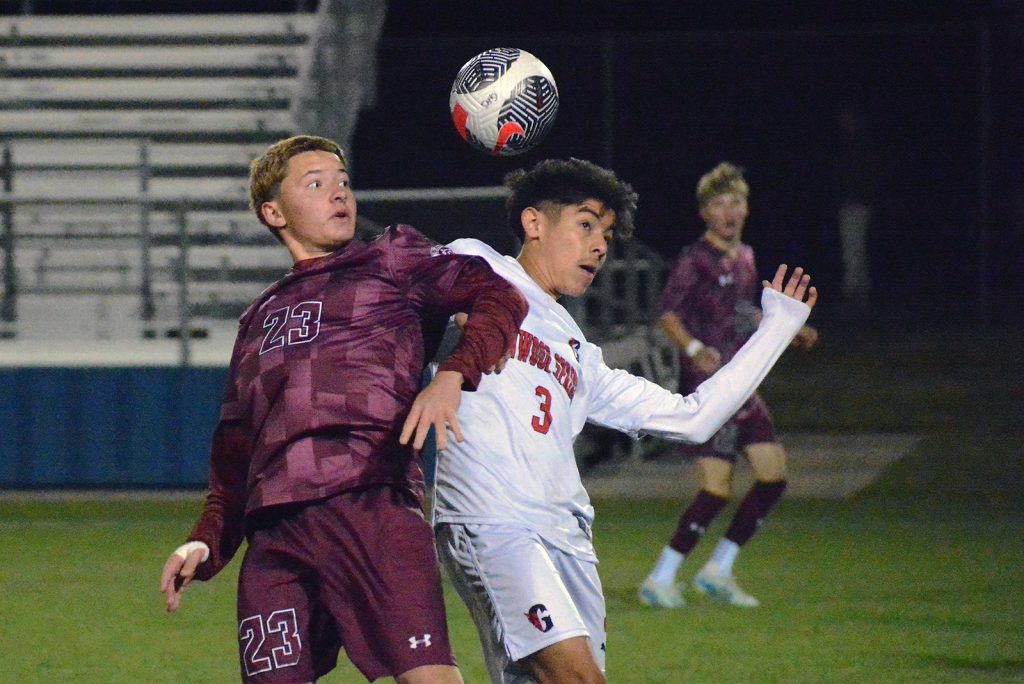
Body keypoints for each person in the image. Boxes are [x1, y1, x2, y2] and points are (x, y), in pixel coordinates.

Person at [158, 135, 528, 684]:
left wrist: (454, 373)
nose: (339, 194)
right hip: (276, 539)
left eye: (343, 182)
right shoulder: (256, 319)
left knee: (429, 680)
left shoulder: (393, 259)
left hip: (371, 508)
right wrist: (204, 542)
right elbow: (234, 459)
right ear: (273, 212)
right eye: (316, 184)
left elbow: (500, 295)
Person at [432, 158, 818, 683]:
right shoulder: (474, 266)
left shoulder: (578, 354)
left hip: (568, 538)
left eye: (608, 234)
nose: (600, 245)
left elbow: (695, 419)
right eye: (586, 225)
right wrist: (443, 321)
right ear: (534, 223)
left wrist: (776, 328)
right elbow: (394, 291)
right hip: (493, 523)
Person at [638, 162, 819, 610]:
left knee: (773, 475)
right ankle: (660, 578)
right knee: (717, 487)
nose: (729, 211)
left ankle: (718, 569)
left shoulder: (745, 258)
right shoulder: (693, 259)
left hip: (743, 385)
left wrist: (787, 328)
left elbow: (741, 313)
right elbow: (668, 313)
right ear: (704, 213)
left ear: (747, 208)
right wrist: (695, 347)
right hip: (710, 388)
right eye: (719, 204)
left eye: (735, 202)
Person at [834, 103, 878, 312]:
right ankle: (860, 295)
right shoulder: (850, 144)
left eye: (848, 118)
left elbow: (863, 176)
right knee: (855, 250)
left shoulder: (859, 146)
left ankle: (853, 295)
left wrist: (860, 197)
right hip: (852, 202)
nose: (845, 122)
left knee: (853, 251)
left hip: (857, 204)